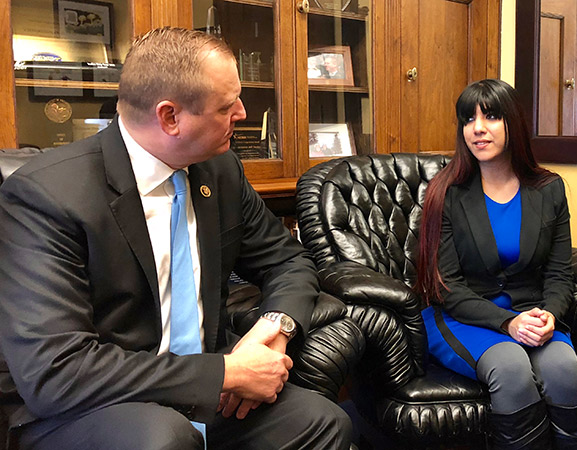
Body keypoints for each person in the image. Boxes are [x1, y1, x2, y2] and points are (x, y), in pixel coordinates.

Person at [0, 27, 352, 450]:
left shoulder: (219, 171)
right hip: (92, 405)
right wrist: (226, 373)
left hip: (205, 394)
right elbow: (57, 371)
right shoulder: (47, 195)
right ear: (170, 117)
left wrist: (277, 325)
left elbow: (287, 261)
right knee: (163, 440)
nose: (243, 112)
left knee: (322, 421)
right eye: (227, 106)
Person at [416, 79, 577, 450]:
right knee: (512, 368)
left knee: (565, 370)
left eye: (491, 117)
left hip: (530, 315)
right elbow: (445, 286)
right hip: (462, 317)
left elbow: (559, 272)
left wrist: (550, 313)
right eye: (468, 119)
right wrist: (507, 323)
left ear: (513, 123)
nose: (478, 128)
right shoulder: (445, 192)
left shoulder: (549, 189)